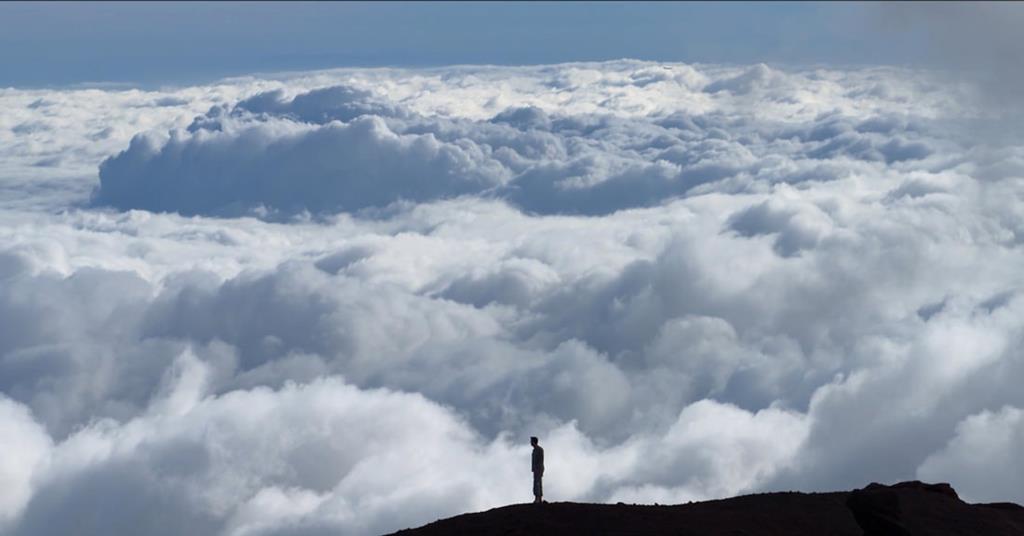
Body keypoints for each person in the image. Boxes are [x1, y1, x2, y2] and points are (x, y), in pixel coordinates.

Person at [531, 436, 544, 503]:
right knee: (536, 483)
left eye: (531, 441)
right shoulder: (534, 450)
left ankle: (538, 498)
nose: (530, 443)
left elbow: (540, 460)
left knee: (538, 483)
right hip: (536, 469)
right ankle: (538, 498)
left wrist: (538, 469)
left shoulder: (539, 449)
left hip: (538, 468)